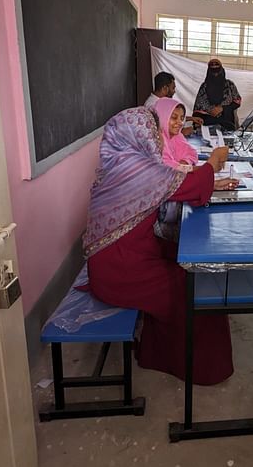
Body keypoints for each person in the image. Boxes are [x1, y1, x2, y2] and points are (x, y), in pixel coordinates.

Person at [83, 107, 235, 385]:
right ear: (137, 135)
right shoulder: (138, 169)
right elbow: (188, 185)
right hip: (120, 271)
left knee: (193, 265)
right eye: (152, 132)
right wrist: (213, 161)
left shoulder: (120, 163)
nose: (157, 137)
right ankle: (200, 367)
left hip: (120, 258)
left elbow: (179, 185)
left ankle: (156, 352)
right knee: (195, 292)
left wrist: (209, 181)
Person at [145, 71, 201, 136]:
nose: (174, 91)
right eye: (173, 88)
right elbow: (160, 132)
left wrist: (192, 118)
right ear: (164, 88)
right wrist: (181, 132)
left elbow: (171, 117)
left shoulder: (161, 101)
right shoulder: (152, 105)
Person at [193, 58, 242, 130]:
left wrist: (222, 108)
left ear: (222, 70)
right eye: (213, 71)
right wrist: (196, 123)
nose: (215, 74)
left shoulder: (229, 85)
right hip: (208, 124)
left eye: (217, 70)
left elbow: (237, 102)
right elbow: (198, 108)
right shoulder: (204, 86)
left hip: (227, 123)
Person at [154, 97, 199, 172]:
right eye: (174, 117)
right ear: (162, 117)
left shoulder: (177, 136)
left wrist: (184, 162)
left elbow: (192, 153)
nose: (180, 123)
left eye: (181, 118)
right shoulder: (156, 140)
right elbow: (167, 168)